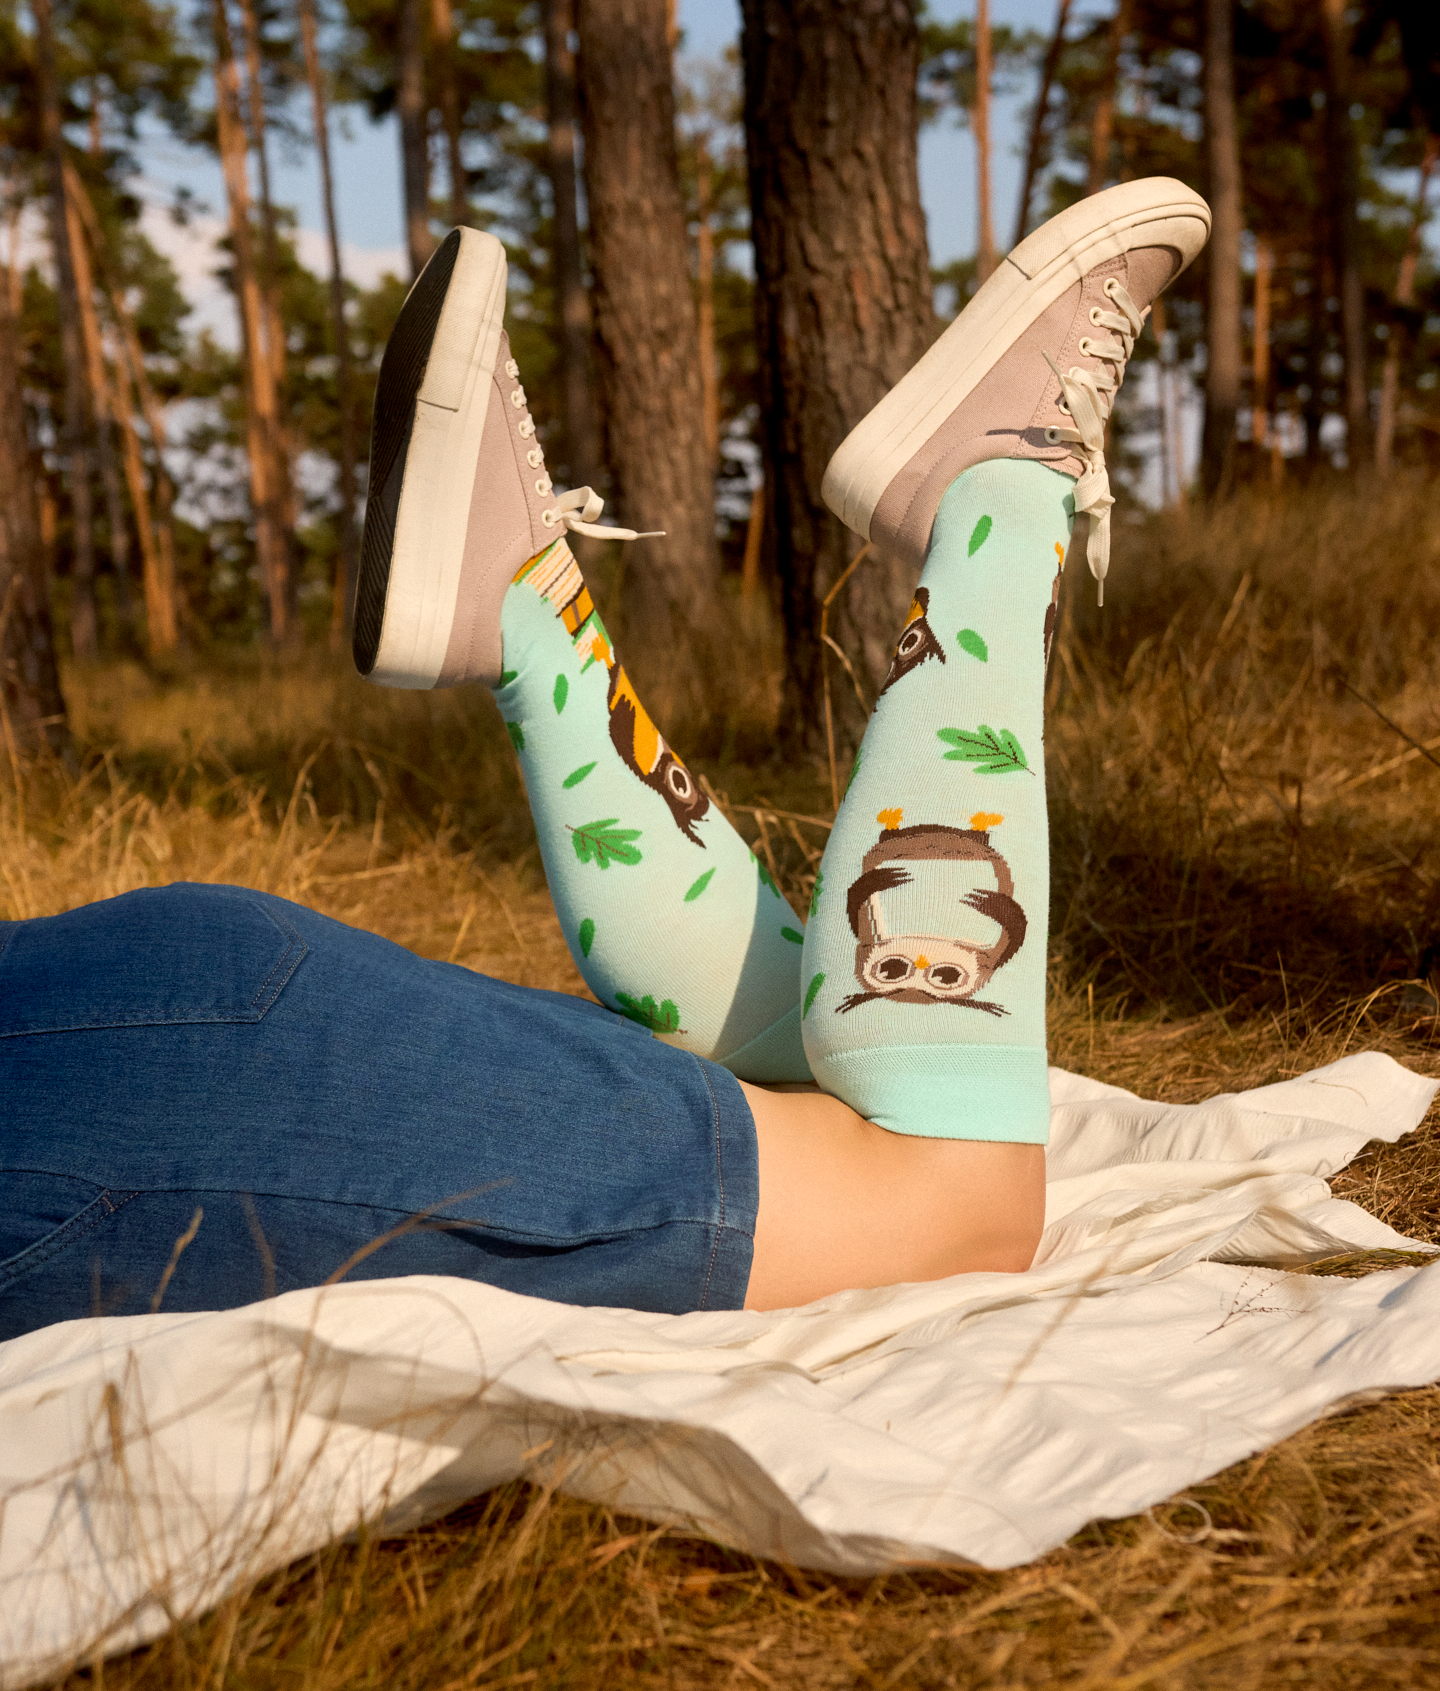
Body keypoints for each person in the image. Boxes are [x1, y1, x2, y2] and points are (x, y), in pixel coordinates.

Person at [0, 180, 1209, 1343]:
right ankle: (529, 603)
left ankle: (995, 495)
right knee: (857, 1115)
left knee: (954, 1196)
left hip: (122, 1118)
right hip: (130, 1010)